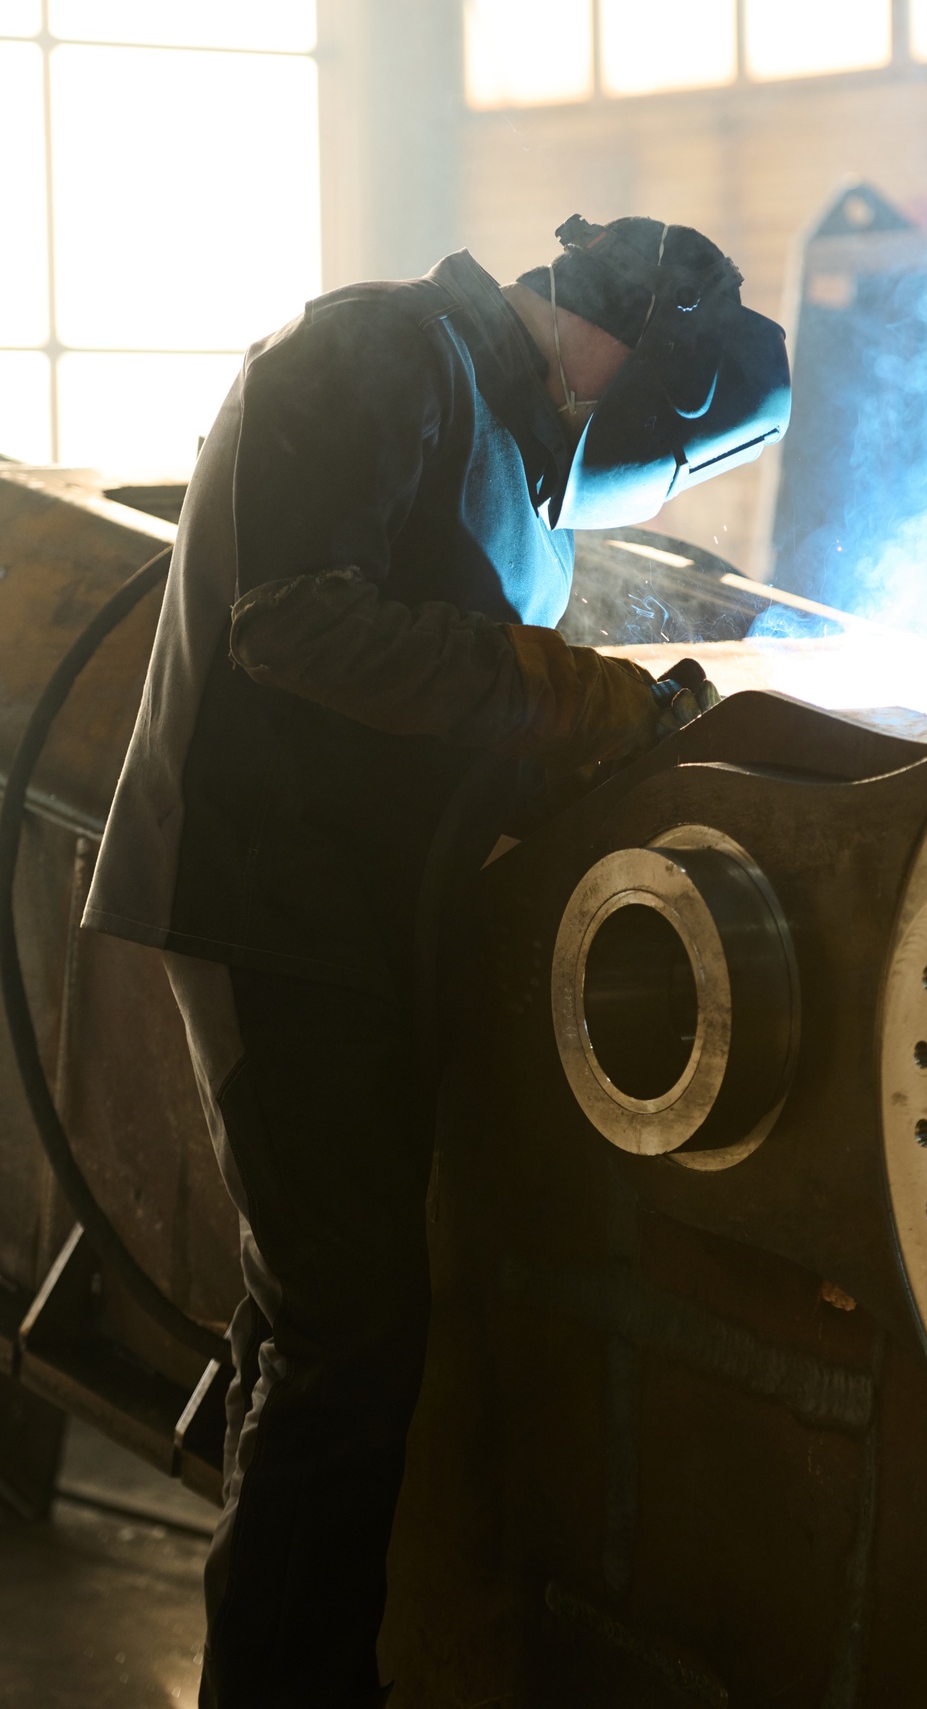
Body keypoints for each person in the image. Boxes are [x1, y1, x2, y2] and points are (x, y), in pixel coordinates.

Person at [82, 214, 790, 1709]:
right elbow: (296, 624)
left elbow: (444, 712)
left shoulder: (513, 433)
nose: (612, 454)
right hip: (263, 899)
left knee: (319, 1311)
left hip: (357, 920)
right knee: (353, 1327)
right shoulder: (377, 345)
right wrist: (569, 695)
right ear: (631, 353)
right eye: (640, 425)